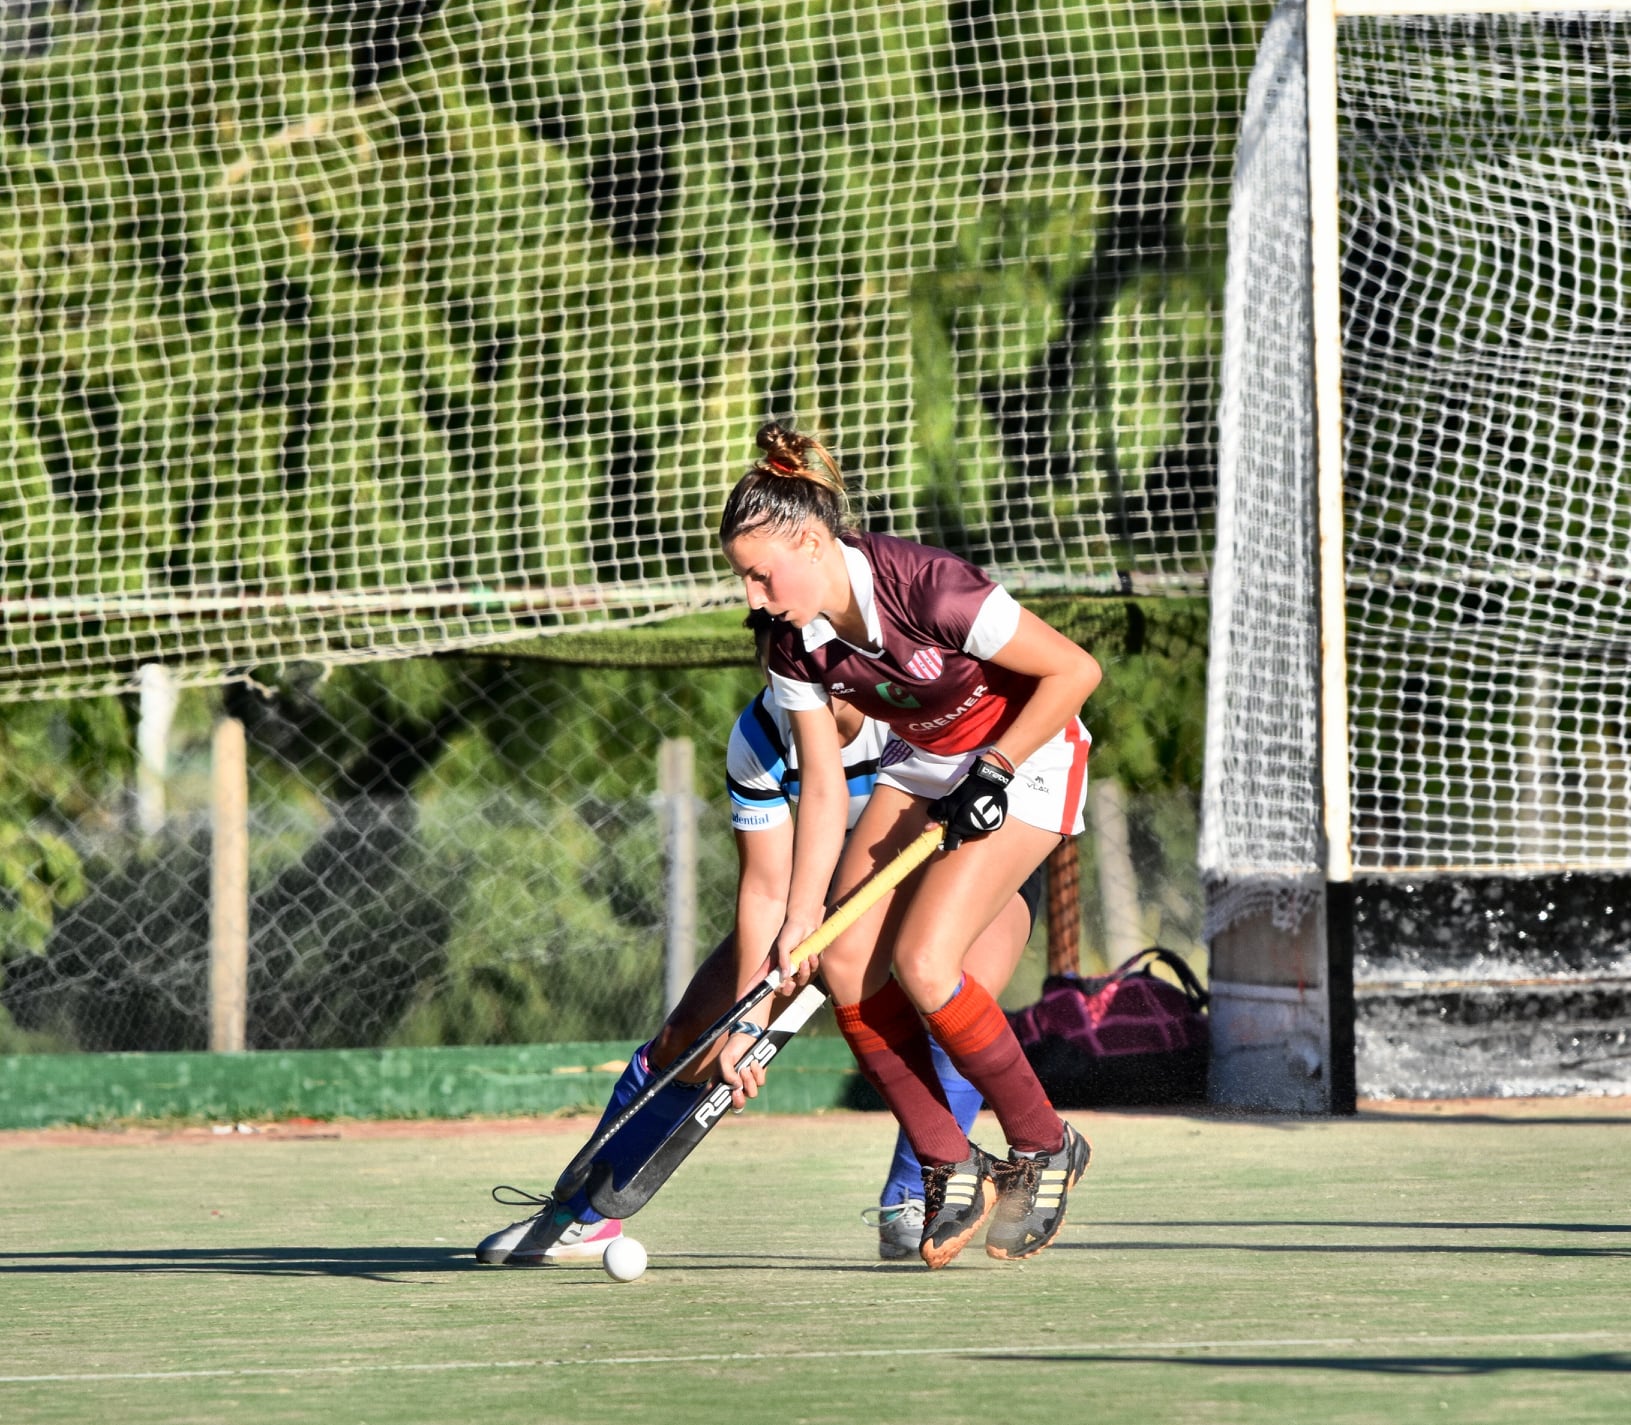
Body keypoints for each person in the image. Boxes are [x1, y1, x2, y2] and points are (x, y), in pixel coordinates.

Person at [474, 612, 1042, 1266]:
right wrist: (747, 1020)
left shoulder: (906, 706)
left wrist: (850, 928)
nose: (795, 688)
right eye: (778, 672)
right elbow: (767, 888)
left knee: (942, 989)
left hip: (970, 858)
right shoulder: (760, 732)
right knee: (694, 1029)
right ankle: (583, 1213)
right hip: (821, 893)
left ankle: (916, 1196)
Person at [717, 421, 1101, 1269]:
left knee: (927, 963)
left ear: (811, 542)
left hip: (1027, 751)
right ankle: (948, 1161)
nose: (751, 596)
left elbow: (1074, 671)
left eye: (758, 573)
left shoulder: (930, 589)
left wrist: (995, 767)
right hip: (926, 758)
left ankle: (1045, 1145)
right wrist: (798, 919)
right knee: (845, 962)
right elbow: (822, 787)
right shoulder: (792, 639)